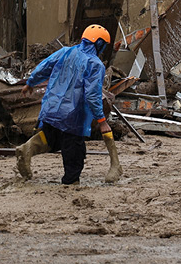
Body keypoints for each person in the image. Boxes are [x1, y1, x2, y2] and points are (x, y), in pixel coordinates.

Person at [16, 24, 113, 185]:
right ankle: (70, 185)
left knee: (50, 139)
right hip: (73, 117)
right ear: (99, 43)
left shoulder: (65, 51)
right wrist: (102, 121)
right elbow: (92, 94)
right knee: (75, 154)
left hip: (50, 109)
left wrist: (31, 82)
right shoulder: (95, 64)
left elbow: (45, 66)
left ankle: (28, 148)